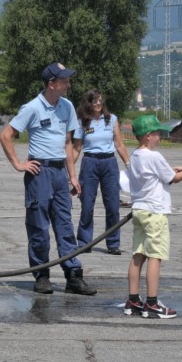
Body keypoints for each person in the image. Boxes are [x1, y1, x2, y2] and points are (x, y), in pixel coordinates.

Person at [0, 62, 96, 295]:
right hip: (39, 172)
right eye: (64, 81)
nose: (68, 84)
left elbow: (67, 143)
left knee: (64, 225)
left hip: (60, 173)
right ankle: (42, 275)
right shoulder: (32, 107)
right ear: (52, 84)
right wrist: (18, 164)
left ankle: (73, 276)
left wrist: (73, 176)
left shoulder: (67, 107)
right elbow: (6, 135)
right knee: (39, 227)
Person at [123, 115, 182, 319]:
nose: (160, 136)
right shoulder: (154, 156)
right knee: (155, 256)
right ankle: (151, 303)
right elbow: (174, 179)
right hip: (155, 213)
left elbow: (158, 175)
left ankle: (133, 301)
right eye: (158, 133)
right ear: (148, 135)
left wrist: (175, 169)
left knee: (138, 255)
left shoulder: (135, 156)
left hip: (140, 211)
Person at [72, 89, 130, 255]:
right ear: (88, 103)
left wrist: (128, 163)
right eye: (94, 101)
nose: (98, 104)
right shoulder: (83, 121)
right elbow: (77, 148)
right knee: (87, 204)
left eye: (100, 101)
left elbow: (119, 144)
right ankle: (84, 242)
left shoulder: (111, 120)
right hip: (90, 163)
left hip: (109, 163)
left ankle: (113, 243)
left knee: (112, 205)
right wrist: (67, 170)